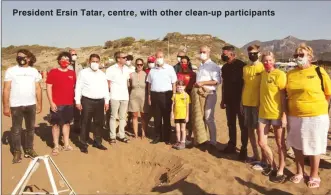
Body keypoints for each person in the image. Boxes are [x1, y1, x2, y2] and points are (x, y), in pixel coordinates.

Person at [286, 44, 331, 188]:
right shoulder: (290, 74)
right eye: (296, 55)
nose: (298, 58)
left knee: (314, 145)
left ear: (310, 57)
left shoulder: (319, 71)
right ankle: (299, 172)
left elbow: (328, 93)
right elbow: (287, 95)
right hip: (295, 116)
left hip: (316, 116)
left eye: (301, 55)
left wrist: (318, 107)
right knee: (297, 146)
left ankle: (314, 174)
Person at [3, 49, 42, 163]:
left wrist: (39, 103)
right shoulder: (11, 71)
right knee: (16, 130)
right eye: (18, 56)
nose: (20, 58)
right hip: (16, 105)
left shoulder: (34, 71)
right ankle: (16, 152)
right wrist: (5, 106)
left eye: (22, 56)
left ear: (28, 58)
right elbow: (6, 89)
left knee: (30, 129)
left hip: (31, 104)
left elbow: (38, 88)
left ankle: (29, 149)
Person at [257, 51, 287, 183]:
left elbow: (283, 96)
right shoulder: (263, 74)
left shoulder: (280, 74)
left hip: (277, 114)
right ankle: (273, 166)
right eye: (265, 61)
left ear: (274, 60)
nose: (267, 63)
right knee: (262, 143)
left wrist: (284, 115)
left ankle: (281, 169)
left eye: (269, 60)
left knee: (280, 144)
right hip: (263, 113)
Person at [75, 54, 109, 153]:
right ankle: (83, 144)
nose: (95, 63)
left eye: (97, 61)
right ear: (89, 62)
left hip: (100, 101)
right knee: (85, 122)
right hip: (87, 101)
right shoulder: (83, 73)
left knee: (99, 123)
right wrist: (77, 101)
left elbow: (105, 89)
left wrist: (106, 101)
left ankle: (97, 142)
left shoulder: (102, 74)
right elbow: (78, 87)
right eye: (93, 61)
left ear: (99, 62)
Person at [220, 45, 248, 161]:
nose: (223, 56)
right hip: (228, 100)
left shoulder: (242, 66)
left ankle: (244, 149)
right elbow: (224, 84)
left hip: (240, 101)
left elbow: (246, 84)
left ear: (232, 54)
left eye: (225, 54)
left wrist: (243, 100)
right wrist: (222, 99)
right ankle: (231, 145)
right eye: (223, 54)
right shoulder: (224, 68)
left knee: (243, 126)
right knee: (230, 124)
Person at [46, 52, 76, 156]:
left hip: (69, 103)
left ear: (70, 62)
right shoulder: (53, 72)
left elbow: (74, 87)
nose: (65, 61)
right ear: (59, 60)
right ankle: (56, 146)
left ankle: (66, 144)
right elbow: (49, 87)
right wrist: (51, 102)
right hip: (57, 104)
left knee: (67, 124)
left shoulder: (72, 73)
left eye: (67, 59)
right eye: (63, 59)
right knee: (56, 125)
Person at [242, 44, 265, 169]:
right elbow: (245, 85)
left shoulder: (262, 67)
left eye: (254, 53)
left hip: (258, 104)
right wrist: (242, 101)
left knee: (260, 132)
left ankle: (263, 158)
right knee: (250, 130)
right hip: (246, 103)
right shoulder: (245, 68)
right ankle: (256, 156)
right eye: (250, 53)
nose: (252, 55)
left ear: (259, 53)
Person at [147, 51, 177, 144]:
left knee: (166, 117)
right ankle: (157, 137)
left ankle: (167, 138)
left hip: (166, 95)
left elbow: (174, 83)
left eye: (161, 57)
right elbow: (149, 84)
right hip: (154, 95)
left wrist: (174, 95)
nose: (159, 58)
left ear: (164, 57)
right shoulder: (152, 70)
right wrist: (149, 96)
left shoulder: (170, 68)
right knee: (157, 117)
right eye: (158, 57)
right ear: (155, 58)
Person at [195, 45, 221, 149]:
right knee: (201, 117)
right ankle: (203, 139)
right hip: (200, 94)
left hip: (209, 93)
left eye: (204, 52)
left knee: (208, 118)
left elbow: (216, 81)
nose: (202, 54)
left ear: (209, 53)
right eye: (201, 52)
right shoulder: (200, 66)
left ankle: (213, 141)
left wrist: (203, 83)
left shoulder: (213, 66)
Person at [106, 51, 131, 144]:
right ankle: (112, 136)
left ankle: (122, 135)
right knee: (113, 116)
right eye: (124, 57)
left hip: (125, 96)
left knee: (122, 117)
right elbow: (108, 84)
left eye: (126, 57)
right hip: (114, 96)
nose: (126, 59)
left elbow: (129, 81)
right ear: (118, 59)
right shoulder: (111, 69)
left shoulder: (127, 69)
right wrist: (108, 97)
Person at [176, 56, 196, 145]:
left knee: (190, 116)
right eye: (181, 62)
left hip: (190, 96)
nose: (183, 63)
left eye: (185, 62)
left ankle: (189, 135)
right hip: (180, 96)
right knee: (180, 114)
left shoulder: (193, 74)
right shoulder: (178, 74)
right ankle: (180, 136)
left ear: (188, 63)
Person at [128, 58, 149, 139]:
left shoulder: (146, 75)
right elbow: (129, 86)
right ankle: (135, 133)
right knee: (134, 115)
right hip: (133, 97)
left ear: (143, 65)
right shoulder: (131, 75)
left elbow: (148, 87)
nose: (139, 66)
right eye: (138, 64)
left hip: (144, 97)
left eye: (141, 64)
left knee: (143, 115)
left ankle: (143, 132)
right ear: (135, 65)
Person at [171, 80, 190, 150]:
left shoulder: (186, 95)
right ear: (176, 87)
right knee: (177, 129)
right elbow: (172, 105)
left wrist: (187, 116)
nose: (180, 88)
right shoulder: (174, 95)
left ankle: (183, 142)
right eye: (178, 87)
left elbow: (187, 107)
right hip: (176, 115)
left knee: (183, 129)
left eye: (181, 87)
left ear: (184, 87)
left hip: (183, 115)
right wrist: (172, 113)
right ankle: (178, 141)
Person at [68, 49, 83, 134]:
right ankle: (68, 125)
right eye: (72, 54)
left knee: (77, 108)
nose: (74, 56)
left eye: (75, 54)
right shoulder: (66, 65)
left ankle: (77, 126)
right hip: (69, 89)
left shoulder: (79, 65)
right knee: (69, 107)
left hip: (77, 89)